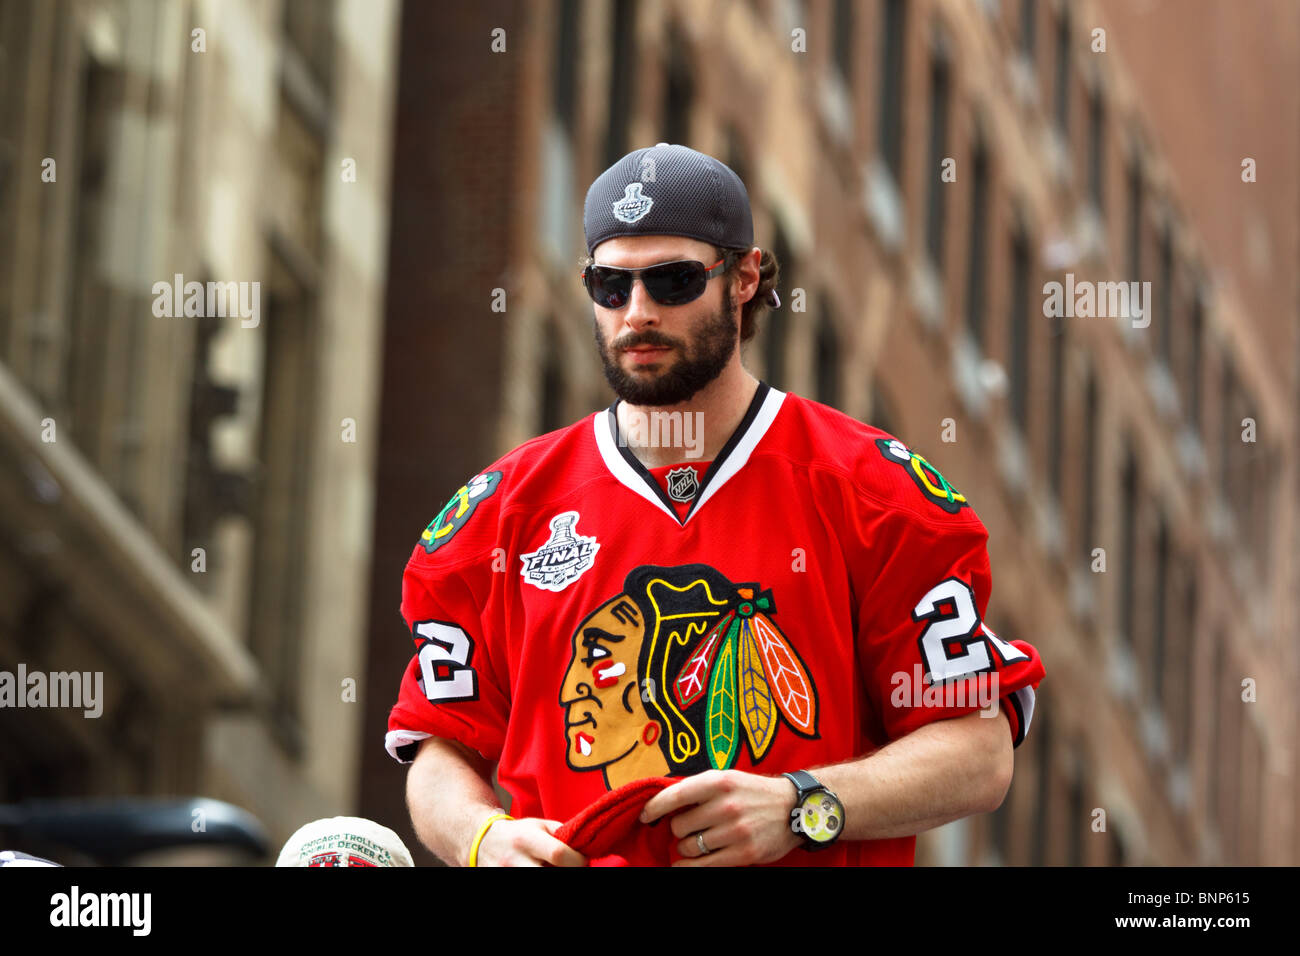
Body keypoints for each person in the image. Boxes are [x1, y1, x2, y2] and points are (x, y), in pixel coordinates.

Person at [386, 143, 1046, 867]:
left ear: (745, 277)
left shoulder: (875, 495)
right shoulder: (498, 516)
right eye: (611, 286)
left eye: (672, 281)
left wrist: (803, 805)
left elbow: (980, 750)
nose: (637, 313)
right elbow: (440, 747)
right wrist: (483, 839)